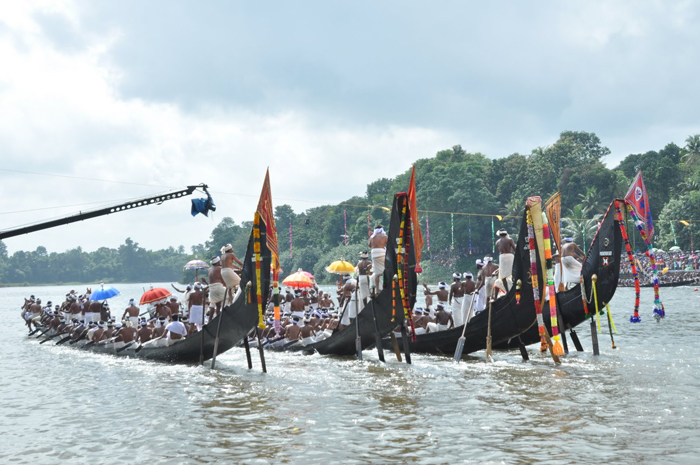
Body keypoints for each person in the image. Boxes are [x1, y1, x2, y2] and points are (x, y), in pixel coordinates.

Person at [368, 225, 388, 291]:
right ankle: (385, 286)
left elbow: (369, 246)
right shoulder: (384, 236)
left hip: (374, 254)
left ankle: (377, 289)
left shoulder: (372, 237)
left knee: (377, 273)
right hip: (382, 253)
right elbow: (389, 244)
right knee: (384, 270)